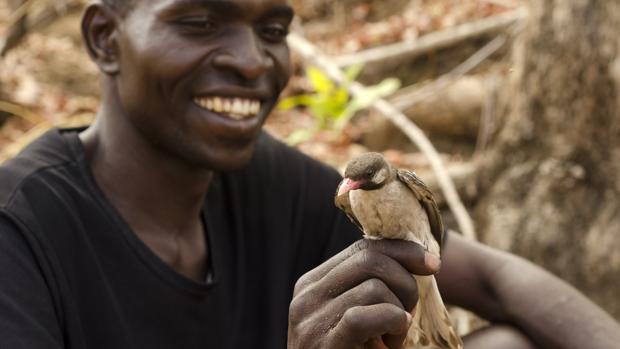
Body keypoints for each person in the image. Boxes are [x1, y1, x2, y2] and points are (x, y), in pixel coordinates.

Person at [0, 0, 619, 348]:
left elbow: (491, 275)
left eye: (272, 30)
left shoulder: (261, 177)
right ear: (105, 39)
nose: (251, 61)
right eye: (198, 22)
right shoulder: (19, 230)